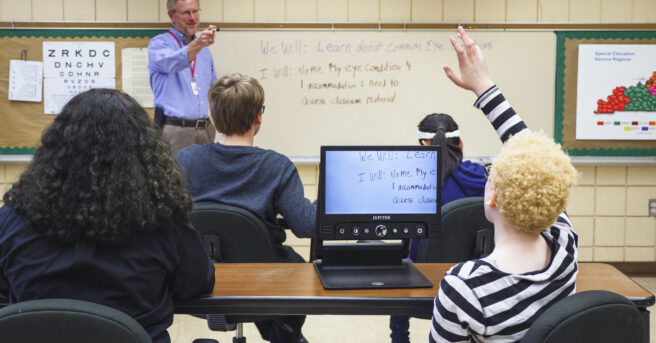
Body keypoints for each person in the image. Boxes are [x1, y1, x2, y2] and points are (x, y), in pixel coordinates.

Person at [0, 89, 215, 343]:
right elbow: (197, 283)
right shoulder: (163, 220)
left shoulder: (13, 219)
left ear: (56, 148)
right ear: (145, 152)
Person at [429, 27, 578, 342]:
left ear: (492, 195)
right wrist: (483, 85)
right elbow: (536, 156)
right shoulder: (565, 248)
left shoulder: (464, 287)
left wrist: (480, 84)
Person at [176, 73, 315, 343]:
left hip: (202, 280)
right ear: (257, 119)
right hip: (266, 284)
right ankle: (285, 333)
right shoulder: (276, 167)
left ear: (215, 119)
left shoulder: (186, 160)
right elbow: (306, 226)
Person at [389, 113, 488, 343]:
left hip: (422, 285)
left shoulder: (412, 184)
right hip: (473, 287)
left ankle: (399, 339)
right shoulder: (482, 180)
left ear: (424, 145)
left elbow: (408, 245)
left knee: (400, 266)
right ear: (460, 143)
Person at [148, 0, 218, 156]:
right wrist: (199, 43)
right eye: (186, 13)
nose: (192, 17)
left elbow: (215, 89)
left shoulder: (205, 53)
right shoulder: (158, 44)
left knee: (205, 179)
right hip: (175, 131)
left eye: (195, 11)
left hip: (205, 129)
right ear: (171, 16)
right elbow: (173, 63)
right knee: (175, 179)